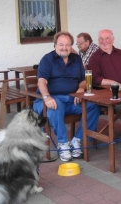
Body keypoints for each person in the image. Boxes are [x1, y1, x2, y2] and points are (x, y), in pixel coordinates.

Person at [33, 32, 101, 162]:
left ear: (71, 46)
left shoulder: (76, 59)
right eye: (61, 44)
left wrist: (81, 88)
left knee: (93, 106)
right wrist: (47, 97)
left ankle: (77, 141)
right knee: (55, 106)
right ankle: (63, 144)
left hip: (71, 99)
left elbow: (83, 80)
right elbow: (41, 81)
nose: (65, 47)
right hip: (50, 99)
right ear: (55, 45)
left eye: (68, 45)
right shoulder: (48, 59)